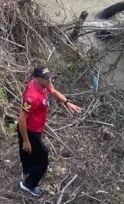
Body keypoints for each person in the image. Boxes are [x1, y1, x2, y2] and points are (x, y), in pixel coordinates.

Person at [17, 66, 82, 197]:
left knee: (27, 152)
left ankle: (27, 170)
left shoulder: (42, 85)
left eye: (49, 77)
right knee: (43, 159)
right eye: (46, 78)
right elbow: (21, 120)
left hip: (35, 127)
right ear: (38, 79)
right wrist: (26, 140)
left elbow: (53, 91)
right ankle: (28, 184)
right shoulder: (32, 97)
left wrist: (67, 102)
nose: (50, 80)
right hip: (30, 130)